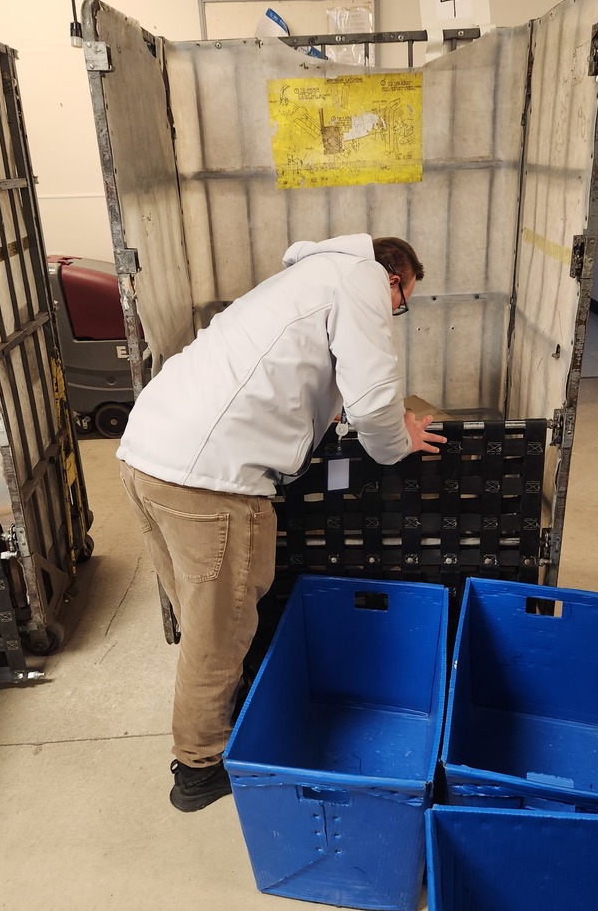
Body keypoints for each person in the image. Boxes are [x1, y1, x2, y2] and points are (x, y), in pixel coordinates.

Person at [117, 233, 447, 812]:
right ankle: (201, 766)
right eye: (403, 303)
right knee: (220, 629)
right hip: (211, 478)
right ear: (393, 277)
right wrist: (399, 440)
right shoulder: (362, 278)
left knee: (202, 619)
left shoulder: (308, 276)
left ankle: (221, 711)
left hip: (148, 452)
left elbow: (290, 374)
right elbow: (374, 402)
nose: (396, 312)